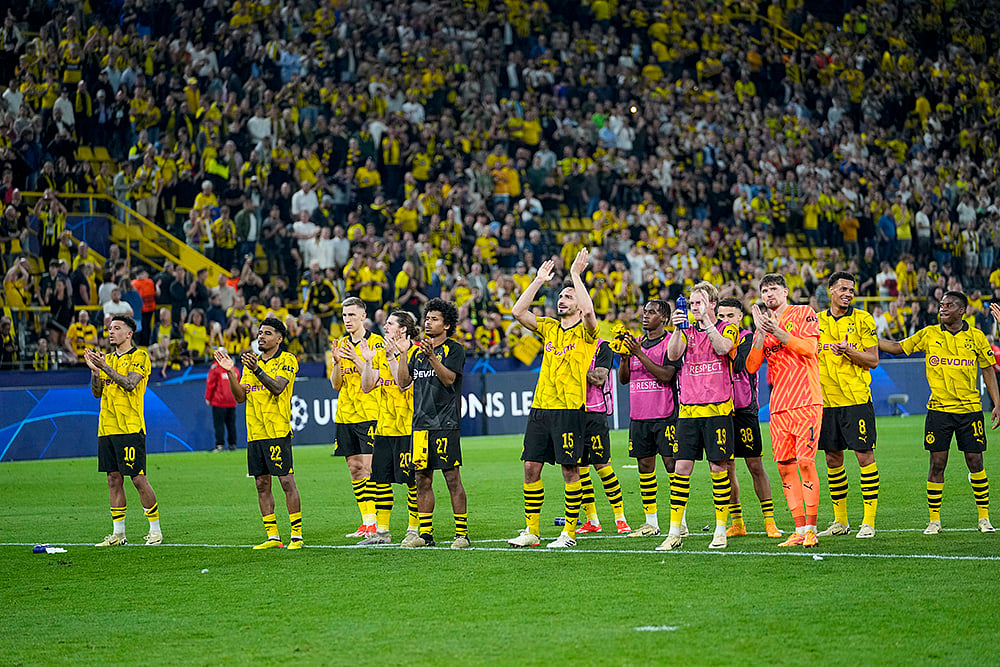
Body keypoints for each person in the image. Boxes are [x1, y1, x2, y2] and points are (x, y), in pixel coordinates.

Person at [878, 293, 998, 534]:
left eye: (949, 305)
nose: (943, 309)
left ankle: (984, 518)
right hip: (939, 410)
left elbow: (987, 370)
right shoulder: (929, 334)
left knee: (976, 462)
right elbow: (898, 347)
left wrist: (997, 403)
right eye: (941, 305)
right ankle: (934, 520)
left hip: (970, 410)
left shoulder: (976, 337)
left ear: (962, 310)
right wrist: (869, 339)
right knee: (937, 464)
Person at [508, 249, 598, 549]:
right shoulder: (548, 327)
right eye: (560, 296)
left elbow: (588, 313)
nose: (562, 300)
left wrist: (575, 275)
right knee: (530, 467)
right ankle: (532, 531)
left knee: (569, 470)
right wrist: (537, 281)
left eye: (569, 296)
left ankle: (569, 533)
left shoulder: (586, 334)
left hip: (570, 409)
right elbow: (518, 312)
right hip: (541, 408)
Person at [657, 282, 739, 551]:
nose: (694, 307)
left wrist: (706, 323)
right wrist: (677, 330)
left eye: (699, 303)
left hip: (718, 411)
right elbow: (672, 355)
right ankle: (674, 531)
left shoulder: (727, 327)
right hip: (689, 411)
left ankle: (720, 529)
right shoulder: (685, 331)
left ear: (712, 304)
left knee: (719, 468)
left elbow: (723, 348)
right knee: (681, 469)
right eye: (691, 303)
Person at [746, 274, 823, 548]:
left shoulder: (803, 312)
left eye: (774, 289)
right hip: (779, 408)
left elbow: (809, 348)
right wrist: (759, 334)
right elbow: (752, 366)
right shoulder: (763, 327)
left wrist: (778, 332)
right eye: (764, 291)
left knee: (805, 462)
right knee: (785, 467)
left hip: (806, 400)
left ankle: (812, 529)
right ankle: (799, 529)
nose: (769, 294)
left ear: (786, 291)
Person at [214, 318, 304, 549]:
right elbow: (240, 397)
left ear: (279, 339)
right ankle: (273, 537)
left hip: (277, 430)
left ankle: (296, 536)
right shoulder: (249, 365)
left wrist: (257, 369)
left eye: (267, 333)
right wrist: (231, 374)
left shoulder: (287, 360)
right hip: (255, 433)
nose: (261, 336)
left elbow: (277, 388)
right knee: (261, 484)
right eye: (259, 332)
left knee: (285, 481)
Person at [394, 298, 469, 548]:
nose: (428, 322)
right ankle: (425, 535)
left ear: (446, 325)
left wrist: (433, 358)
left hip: (446, 423)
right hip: (420, 424)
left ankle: (462, 535)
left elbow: (449, 380)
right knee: (421, 479)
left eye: (434, 319)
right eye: (427, 318)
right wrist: (404, 354)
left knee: (451, 478)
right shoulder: (416, 351)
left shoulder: (454, 349)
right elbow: (403, 382)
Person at [84, 316, 161, 546]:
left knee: (137, 478)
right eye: (109, 328)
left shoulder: (140, 357)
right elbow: (97, 393)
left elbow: (130, 384)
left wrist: (104, 367)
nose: (111, 332)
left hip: (130, 427)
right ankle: (118, 534)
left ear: (129, 334)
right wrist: (95, 372)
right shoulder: (105, 360)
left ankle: (155, 530)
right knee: (113, 479)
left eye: (117, 328)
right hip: (106, 427)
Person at [816, 272, 881, 538]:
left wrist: (849, 352)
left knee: (864, 456)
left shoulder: (863, 319)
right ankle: (840, 521)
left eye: (851, 290)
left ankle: (868, 521)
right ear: (830, 290)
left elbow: (873, 360)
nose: (848, 293)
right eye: (843, 288)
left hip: (856, 399)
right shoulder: (816, 322)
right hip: (826, 401)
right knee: (832, 458)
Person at [717, 298, 782, 539]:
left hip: (744, 409)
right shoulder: (712, 336)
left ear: (740, 318)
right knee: (727, 468)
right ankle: (737, 523)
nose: (725, 321)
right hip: (721, 410)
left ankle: (769, 521)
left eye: (730, 316)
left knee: (755, 465)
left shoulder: (746, 338)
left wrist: (726, 344)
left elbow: (741, 366)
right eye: (721, 316)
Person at [355, 310, 422, 545]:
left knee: (412, 480)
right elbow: (367, 386)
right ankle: (382, 533)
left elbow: (404, 385)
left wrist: (394, 356)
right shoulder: (382, 353)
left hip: (409, 427)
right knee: (380, 479)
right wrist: (368, 361)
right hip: (384, 426)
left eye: (390, 323)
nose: (385, 326)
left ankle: (414, 530)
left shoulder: (415, 353)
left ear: (403, 329)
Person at [617, 300, 683, 538]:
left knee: (672, 467)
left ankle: (680, 523)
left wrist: (638, 353)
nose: (646, 316)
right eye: (645, 312)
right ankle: (651, 523)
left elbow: (666, 375)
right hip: (639, 416)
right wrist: (625, 358)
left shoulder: (671, 343)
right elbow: (624, 380)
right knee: (645, 467)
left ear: (664, 318)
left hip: (665, 415)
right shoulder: (637, 343)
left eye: (652, 312)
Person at [330, 296, 384, 538]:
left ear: (363, 316)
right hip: (345, 416)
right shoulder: (340, 344)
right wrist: (337, 363)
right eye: (344, 315)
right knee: (354, 468)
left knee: (369, 468)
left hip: (370, 414)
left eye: (352, 315)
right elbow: (335, 384)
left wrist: (357, 359)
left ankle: (377, 523)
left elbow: (376, 379)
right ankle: (366, 522)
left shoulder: (377, 344)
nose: (347, 320)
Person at [575, 338, 630, 535]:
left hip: (594, 413)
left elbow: (599, 378)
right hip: (571, 412)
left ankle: (620, 518)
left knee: (602, 466)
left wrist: (570, 365)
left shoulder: (602, 346)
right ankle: (592, 520)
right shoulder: (566, 343)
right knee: (578, 468)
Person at [206, 354, 240, 452]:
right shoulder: (235, 369)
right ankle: (232, 445)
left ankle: (220, 445)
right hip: (232, 401)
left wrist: (208, 398)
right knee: (231, 424)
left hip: (219, 401)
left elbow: (211, 383)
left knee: (219, 424)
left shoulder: (215, 368)